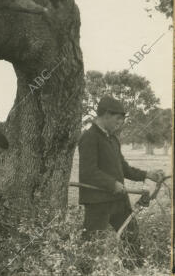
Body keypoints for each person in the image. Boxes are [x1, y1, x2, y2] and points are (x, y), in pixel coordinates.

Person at [78, 95, 165, 269]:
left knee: (132, 239)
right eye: (118, 120)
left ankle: (135, 270)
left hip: (118, 201)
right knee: (92, 247)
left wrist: (147, 174)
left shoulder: (113, 139)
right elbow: (88, 172)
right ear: (106, 115)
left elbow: (123, 168)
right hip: (98, 204)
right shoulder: (89, 137)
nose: (120, 124)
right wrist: (112, 184)